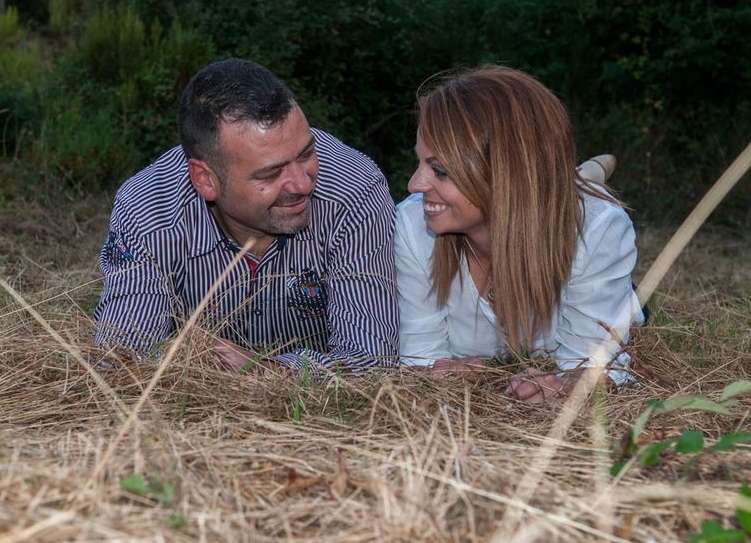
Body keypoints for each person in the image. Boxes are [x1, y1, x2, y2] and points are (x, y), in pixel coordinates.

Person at [93, 58, 398, 372]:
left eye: (306, 153)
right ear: (205, 179)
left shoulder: (353, 188)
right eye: (271, 174)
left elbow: (373, 362)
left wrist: (260, 370)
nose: (303, 184)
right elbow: (122, 363)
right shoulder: (149, 209)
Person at [395, 66, 644, 402]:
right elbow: (420, 357)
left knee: (635, 308)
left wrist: (567, 386)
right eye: (420, 162)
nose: (414, 185)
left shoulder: (597, 231)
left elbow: (595, 367)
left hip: (600, 270)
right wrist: (432, 373)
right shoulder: (412, 225)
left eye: (439, 170)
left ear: (505, 175)